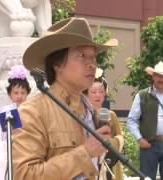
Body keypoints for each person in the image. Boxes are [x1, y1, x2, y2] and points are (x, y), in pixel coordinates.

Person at [12, 17, 118, 179]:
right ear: (57, 63)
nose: (91, 64)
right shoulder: (32, 111)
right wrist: (85, 152)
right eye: (82, 55)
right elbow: (25, 174)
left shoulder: (89, 109)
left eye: (93, 57)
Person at [0, 64, 31, 180]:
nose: (20, 96)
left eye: (23, 93)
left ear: (27, 94)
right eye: (16, 92)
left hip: (27, 156)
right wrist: (6, 145)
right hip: (6, 157)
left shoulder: (32, 113)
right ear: (10, 94)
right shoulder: (2, 114)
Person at [84, 68, 124, 180]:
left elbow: (120, 139)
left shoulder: (110, 115)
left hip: (108, 162)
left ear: (105, 93)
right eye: (93, 91)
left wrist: (109, 143)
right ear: (87, 93)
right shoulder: (82, 115)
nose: (97, 95)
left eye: (101, 91)